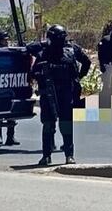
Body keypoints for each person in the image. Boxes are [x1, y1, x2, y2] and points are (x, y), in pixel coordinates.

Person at [31, 25, 91, 166]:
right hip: (48, 95)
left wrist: (78, 81)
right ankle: (46, 156)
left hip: (65, 95)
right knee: (48, 126)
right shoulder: (43, 54)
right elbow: (34, 72)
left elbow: (76, 75)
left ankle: (69, 155)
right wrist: (42, 76)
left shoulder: (69, 54)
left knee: (66, 126)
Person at [0, 30, 19, 146]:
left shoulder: (8, 52)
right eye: (4, 40)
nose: (7, 43)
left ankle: (10, 136)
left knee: (11, 113)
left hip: (8, 86)